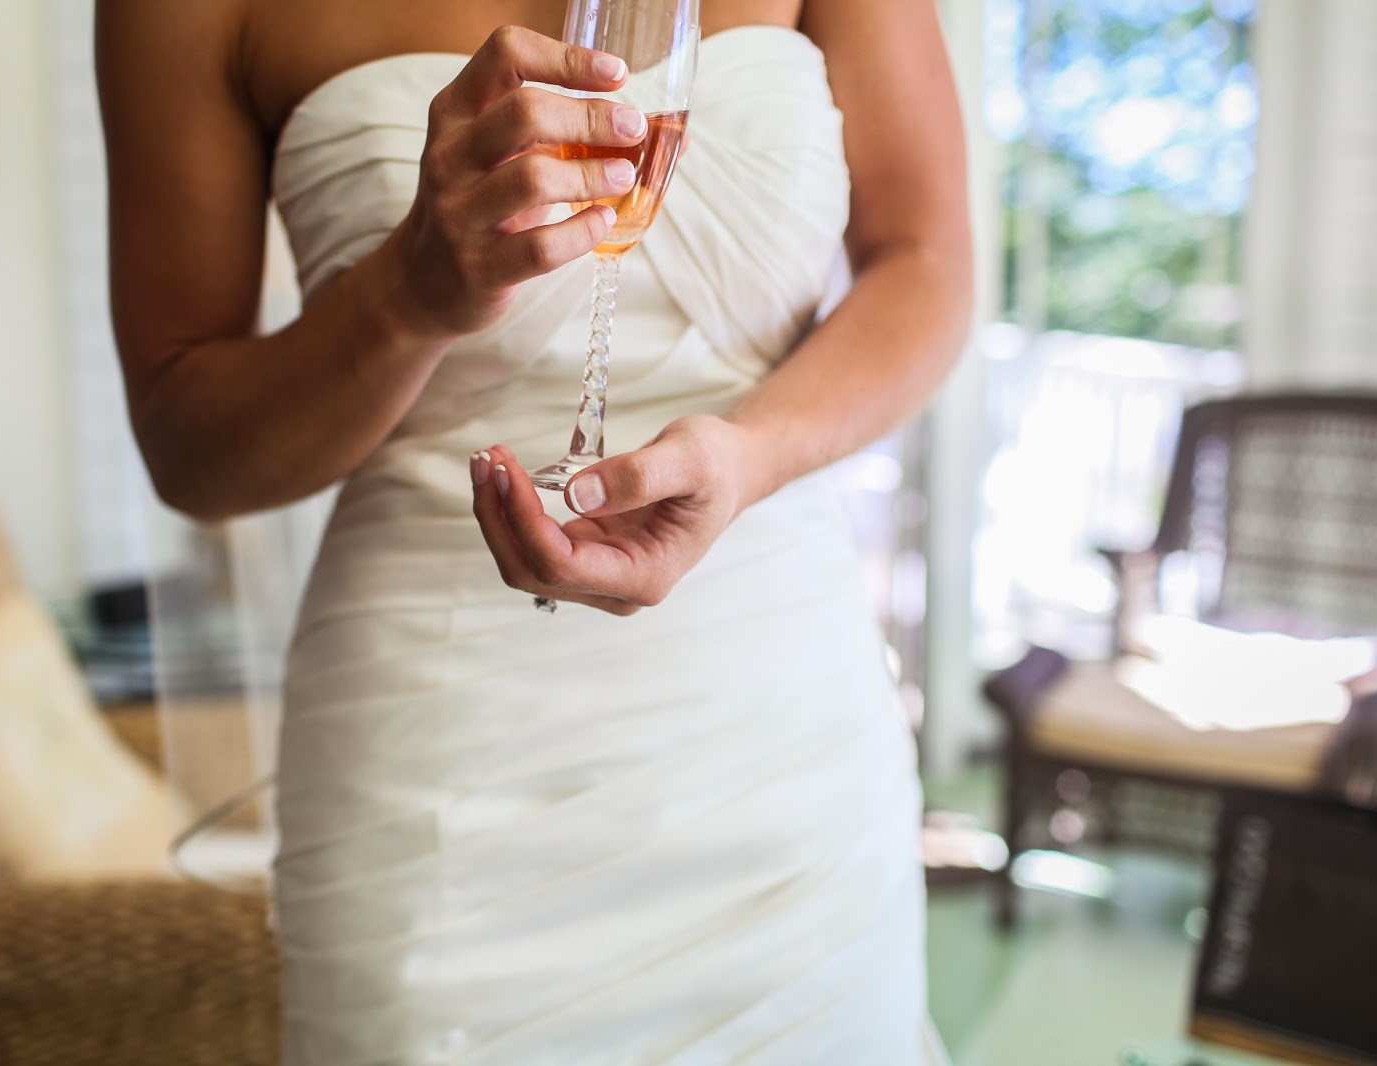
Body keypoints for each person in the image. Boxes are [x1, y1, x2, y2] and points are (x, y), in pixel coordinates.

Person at [98, 0, 970, 1061]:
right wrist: (408, 293)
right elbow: (186, 448)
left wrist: (750, 457)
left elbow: (926, 263)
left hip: (783, 742)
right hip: (435, 779)